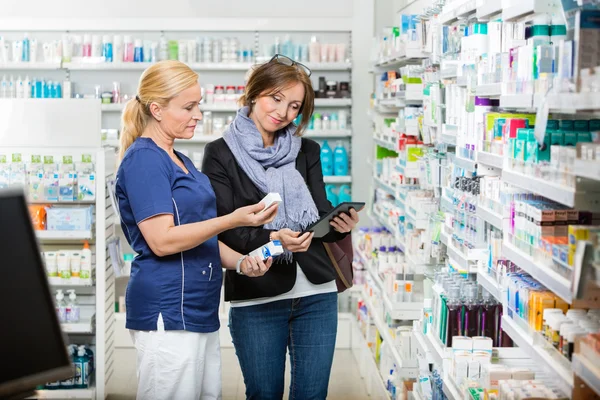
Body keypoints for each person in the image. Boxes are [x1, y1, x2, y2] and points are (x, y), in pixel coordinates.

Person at [115, 60, 279, 400]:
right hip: (168, 309)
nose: (199, 114)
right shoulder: (144, 160)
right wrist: (233, 219)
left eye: (199, 104)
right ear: (156, 109)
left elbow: (199, 236)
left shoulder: (181, 160)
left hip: (199, 310)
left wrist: (241, 261)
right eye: (189, 106)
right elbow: (162, 241)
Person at [202, 54, 360, 400]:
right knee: (263, 394)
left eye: (294, 106)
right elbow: (225, 229)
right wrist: (275, 238)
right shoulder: (220, 154)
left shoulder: (307, 150)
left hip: (316, 292)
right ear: (255, 93)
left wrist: (339, 225)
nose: (284, 112)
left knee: (313, 394)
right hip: (258, 294)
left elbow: (318, 213)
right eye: (276, 98)